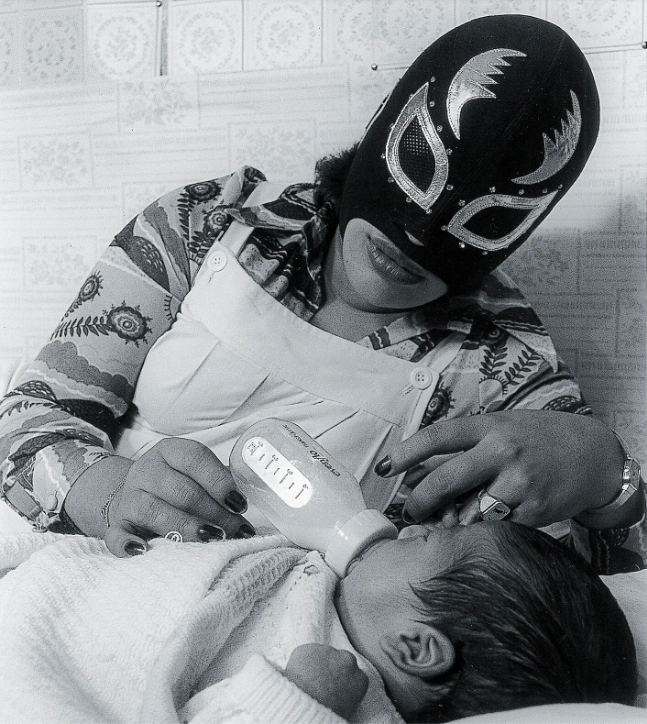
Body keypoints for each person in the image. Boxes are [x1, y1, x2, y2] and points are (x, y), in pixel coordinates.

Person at [0, 14, 644, 573]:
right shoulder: (205, 223)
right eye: (420, 167)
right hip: (92, 571)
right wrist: (107, 491)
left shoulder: (504, 361)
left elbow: (594, 590)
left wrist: (604, 474)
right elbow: (27, 417)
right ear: (385, 128)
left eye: (484, 217)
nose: (413, 239)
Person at [0, 520, 638, 723]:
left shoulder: (339, 698)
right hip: (61, 571)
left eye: (430, 542)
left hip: (39, 668)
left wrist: (297, 700)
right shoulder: (327, 581)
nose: (410, 524)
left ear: (416, 646)